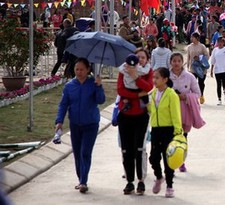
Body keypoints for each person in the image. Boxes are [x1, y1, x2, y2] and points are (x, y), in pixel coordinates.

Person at [54, 58, 105, 193]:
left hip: (91, 124)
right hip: (75, 124)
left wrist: (99, 86)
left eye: (82, 69)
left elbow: (101, 100)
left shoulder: (93, 83)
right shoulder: (70, 86)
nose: (79, 72)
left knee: (85, 153)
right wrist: (59, 121)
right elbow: (63, 104)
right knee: (77, 153)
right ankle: (80, 178)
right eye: (77, 69)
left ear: (88, 70)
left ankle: (83, 181)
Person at [117, 48, 154, 195]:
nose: (140, 60)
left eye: (143, 58)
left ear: (146, 60)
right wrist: (138, 94)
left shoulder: (147, 72)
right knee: (126, 149)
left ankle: (141, 181)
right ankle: (129, 181)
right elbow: (120, 90)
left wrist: (135, 77)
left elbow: (149, 87)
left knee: (140, 149)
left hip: (141, 115)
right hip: (125, 115)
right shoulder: (123, 70)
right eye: (137, 57)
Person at [148, 67, 182, 198]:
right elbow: (151, 110)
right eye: (153, 77)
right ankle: (158, 176)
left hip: (168, 130)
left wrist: (178, 131)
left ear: (165, 79)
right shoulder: (153, 93)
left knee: (168, 159)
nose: (154, 80)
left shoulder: (171, 94)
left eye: (157, 77)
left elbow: (176, 114)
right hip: (156, 129)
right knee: (153, 157)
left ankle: (169, 185)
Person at [169, 52, 204, 173]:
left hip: (185, 113)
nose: (176, 63)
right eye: (174, 61)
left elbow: (197, 94)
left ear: (182, 62)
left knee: (183, 138)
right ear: (171, 62)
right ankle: (171, 163)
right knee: (171, 139)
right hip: (170, 113)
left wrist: (186, 97)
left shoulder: (190, 77)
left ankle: (181, 161)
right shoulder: (166, 76)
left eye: (179, 61)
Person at [186, 33, 210, 100]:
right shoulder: (190, 47)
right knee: (192, 83)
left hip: (201, 68)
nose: (192, 39)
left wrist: (199, 58)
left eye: (193, 37)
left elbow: (207, 56)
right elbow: (188, 57)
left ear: (197, 38)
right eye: (191, 37)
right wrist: (188, 66)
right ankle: (193, 97)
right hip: (193, 68)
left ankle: (201, 95)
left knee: (201, 82)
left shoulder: (202, 46)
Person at [210, 37, 225, 105]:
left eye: (221, 42)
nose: (220, 43)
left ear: (223, 43)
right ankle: (219, 98)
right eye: (218, 42)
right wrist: (211, 70)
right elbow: (213, 60)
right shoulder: (215, 50)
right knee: (218, 84)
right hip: (217, 70)